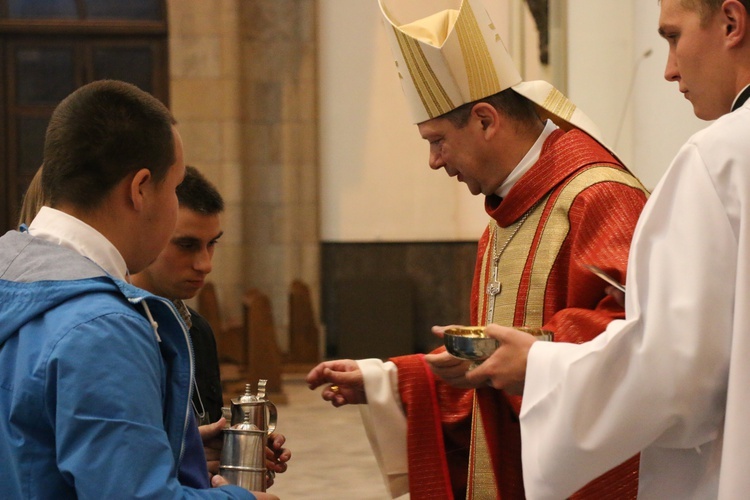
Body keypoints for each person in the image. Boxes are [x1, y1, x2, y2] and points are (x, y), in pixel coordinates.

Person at [306, 1, 648, 498]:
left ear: (486, 120)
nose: (433, 160)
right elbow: (493, 377)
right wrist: (388, 380)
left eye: (438, 140)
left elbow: (641, 340)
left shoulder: (600, 197)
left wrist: (528, 356)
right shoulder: (504, 219)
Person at [457, 0, 750, 498]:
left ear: (730, 22)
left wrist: (542, 365)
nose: (668, 69)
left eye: (673, 37)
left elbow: (676, 375)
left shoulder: (720, 160)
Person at [0, 80, 271, 498]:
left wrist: (171, 446)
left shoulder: (10, 273)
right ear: (141, 188)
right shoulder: (102, 327)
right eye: (175, 187)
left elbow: (31, 443)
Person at [130, 165, 291, 485]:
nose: (205, 264)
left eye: (212, 243)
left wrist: (239, 456)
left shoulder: (197, 330)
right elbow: (112, 466)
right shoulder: (112, 328)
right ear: (147, 229)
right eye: (187, 245)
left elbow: (204, 431)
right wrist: (182, 458)